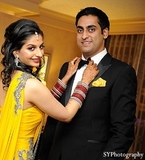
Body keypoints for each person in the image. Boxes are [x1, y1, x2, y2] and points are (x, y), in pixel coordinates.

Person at [0, 18, 99, 160]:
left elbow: (43, 101)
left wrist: (66, 77)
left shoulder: (6, 79)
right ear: (16, 52)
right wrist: (84, 82)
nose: (39, 53)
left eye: (41, 47)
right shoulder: (31, 85)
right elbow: (66, 115)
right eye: (31, 48)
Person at [37, 7, 137, 160]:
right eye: (80, 30)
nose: (84, 36)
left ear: (105, 33)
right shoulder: (67, 67)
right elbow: (54, 118)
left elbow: (123, 132)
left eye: (91, 29)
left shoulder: (121, 72)